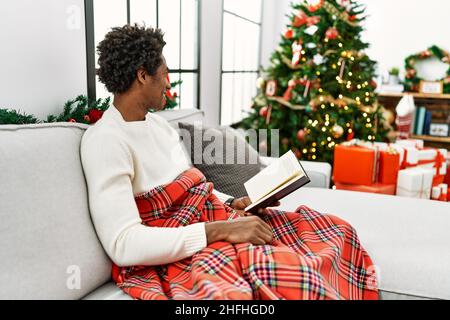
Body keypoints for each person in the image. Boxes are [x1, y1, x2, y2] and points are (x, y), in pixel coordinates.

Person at [81, 24, 378, 300]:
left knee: (335, 230)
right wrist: (220, 231)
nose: (168, 83)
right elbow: (123, 244)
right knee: (289, 275)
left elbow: (192, 189)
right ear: (143, 75)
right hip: (186, 243)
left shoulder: (158, 126)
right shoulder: (106, 141)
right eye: (165, 73)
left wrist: (236, 203)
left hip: (213, 218)